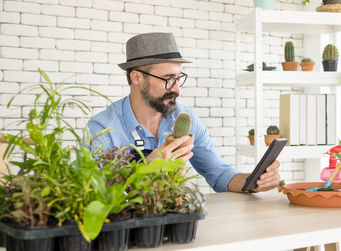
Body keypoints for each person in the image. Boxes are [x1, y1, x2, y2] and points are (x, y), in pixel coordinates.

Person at [88, 32, 280, 193]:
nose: (177, 89)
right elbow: (98, 192)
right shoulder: (103, 128)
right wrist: (147, 168)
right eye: (168, 79)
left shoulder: (183, 118)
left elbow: (219, 174)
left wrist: (254, 182)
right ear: (137, 77)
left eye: (179, 78)